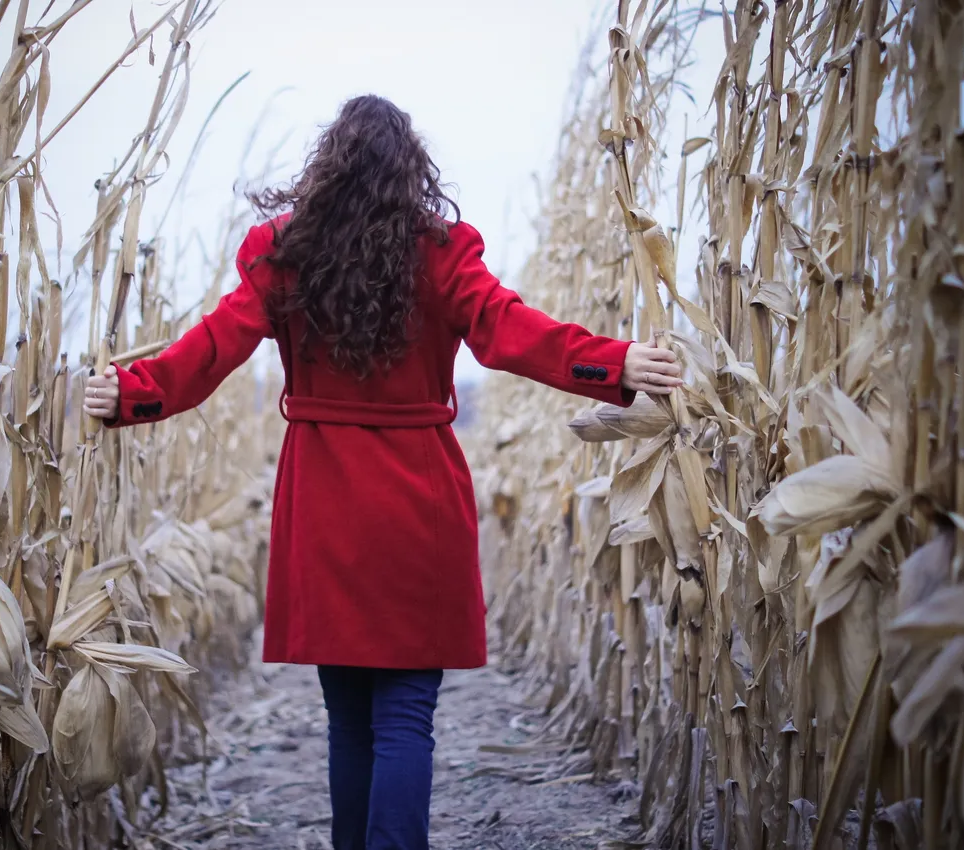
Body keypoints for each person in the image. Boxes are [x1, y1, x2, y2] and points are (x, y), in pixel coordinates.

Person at [82, 94, 682, 850]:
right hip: (418, 501)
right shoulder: (441, 252)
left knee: (348, 719)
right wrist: (614, 362)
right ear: (411, 171)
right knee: (405, 716)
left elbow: (214, 347)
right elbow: (507, 330)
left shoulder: (282, 253)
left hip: (321, 499)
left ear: (326, 167)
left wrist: (134, 393)